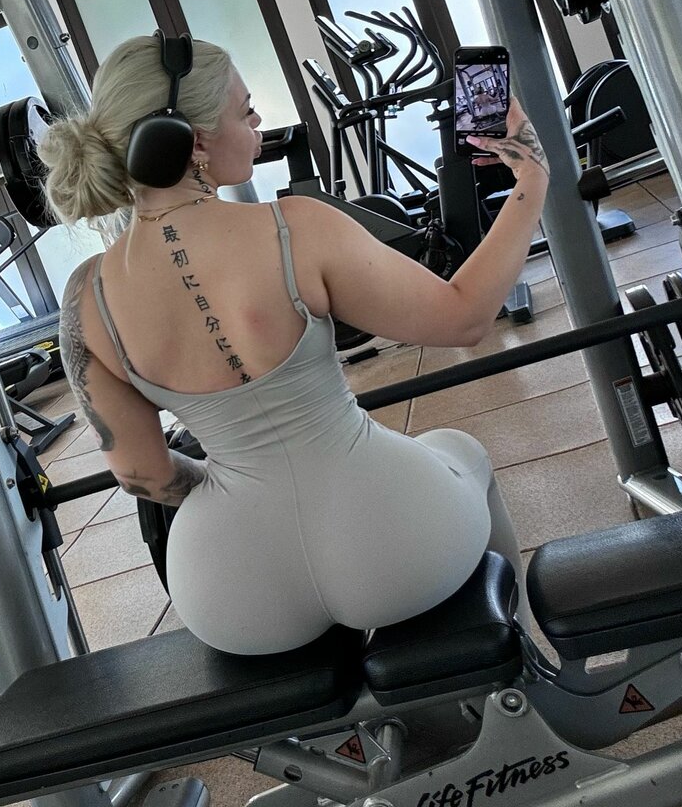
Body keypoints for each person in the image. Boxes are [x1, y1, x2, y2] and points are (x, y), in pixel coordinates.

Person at [38, 34, 550, 656]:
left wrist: (230, 483)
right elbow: (464, 317)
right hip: (397, 544)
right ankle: (519, 670)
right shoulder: (295, 226)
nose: (258, 125)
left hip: (230, 593)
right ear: (193, 141)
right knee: (461, 450)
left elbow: (142, 475)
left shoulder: (84, 299)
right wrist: (532, 177)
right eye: (246, 112)